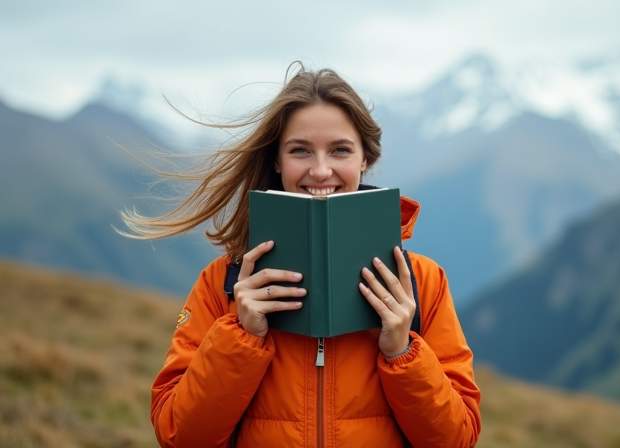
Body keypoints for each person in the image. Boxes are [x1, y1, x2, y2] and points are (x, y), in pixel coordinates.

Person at [121, 63, 481, 448]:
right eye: (300, 151)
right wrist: (242, 337)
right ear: (276, 161)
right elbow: (179, 436)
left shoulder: (422, 282)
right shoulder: (223, 282)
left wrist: (402, 351)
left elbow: (456, 440)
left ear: (365, 159)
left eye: (340, 150)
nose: (321, 170)